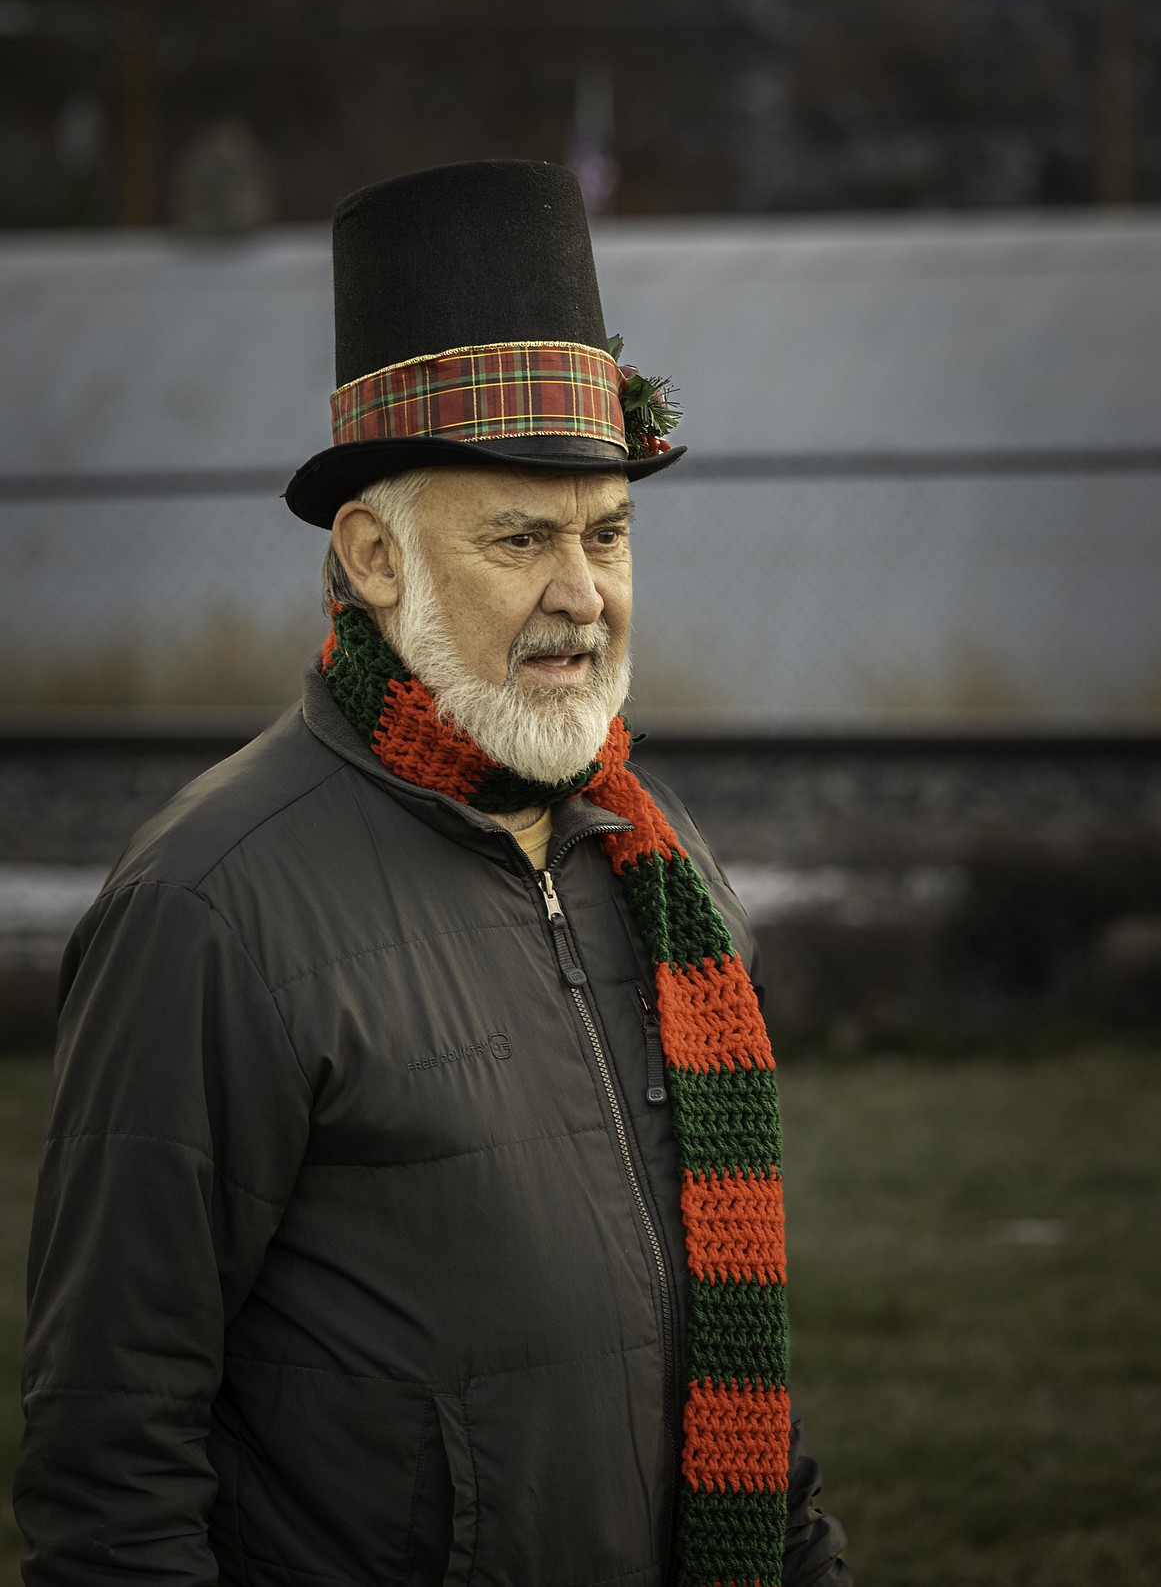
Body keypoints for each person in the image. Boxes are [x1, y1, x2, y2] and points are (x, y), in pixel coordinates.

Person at [16, 160, 851, 1587]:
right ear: (373, 557)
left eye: (606, 533)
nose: (581, 595)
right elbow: (111, 1458)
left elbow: (737, 1364)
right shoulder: (210, 907)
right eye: (518, 538)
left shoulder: (656, 859)